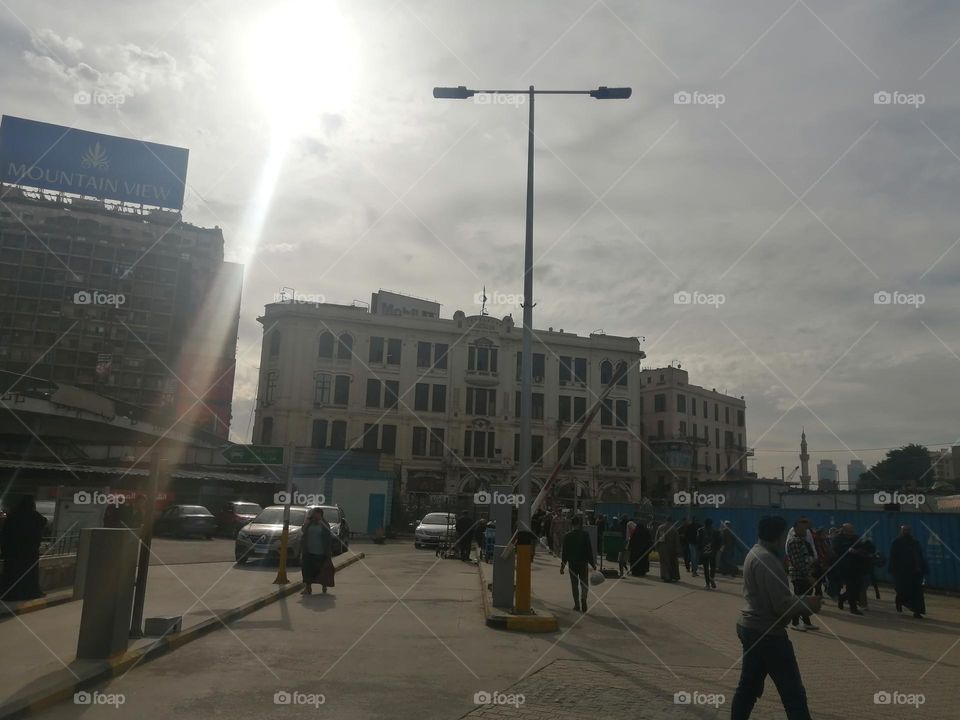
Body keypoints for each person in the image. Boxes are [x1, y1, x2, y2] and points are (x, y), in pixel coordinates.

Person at [731, 515, 821, 720]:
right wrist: (809, 604)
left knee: (748, 688)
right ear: (777, 536)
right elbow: (781, 605)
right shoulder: (768, 561)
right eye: (783, 534)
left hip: (752, 628)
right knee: (793, 694)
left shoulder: (756, 552)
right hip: (768, 634)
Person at [0, 495, 48, 601]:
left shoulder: (13, 516)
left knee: (12, 574)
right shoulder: (35, 517)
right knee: (29, 574)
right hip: (29, 552)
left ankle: (10, 594)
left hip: (13, 552)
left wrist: (4, 550)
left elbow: (5, 534)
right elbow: (44, 522)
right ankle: (29, 593)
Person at [888, 525, 927, 618]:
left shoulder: (915, 542)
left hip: (915, 572)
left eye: (908, 530)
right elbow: (893, 557)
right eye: (904, 530)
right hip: (902, 572)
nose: (906, 532)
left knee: (917, 593)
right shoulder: (897, 542)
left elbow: (919, 556)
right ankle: (900, 601)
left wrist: (922, 568)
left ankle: (917, 612)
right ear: (901, 531)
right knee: (903, 591)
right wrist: (893, 570)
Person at [559, 515, 596, 613]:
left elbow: (565, 553)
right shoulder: (585, 535)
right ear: (579, 524)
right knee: (584, 583)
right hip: (583, 563)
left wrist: (562, 567)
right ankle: (583, 598)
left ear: (572, 524)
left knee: (574, 584)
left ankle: (577, 604)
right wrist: (593, 564)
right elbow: (589, 550)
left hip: (572, 564)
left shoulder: (567, 536)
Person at [786, 519, 818, 632]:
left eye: (806, 528)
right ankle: (794, 622)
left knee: (805, 600)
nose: (805, 530)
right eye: (802, 528)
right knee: (799, 599)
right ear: (795, 529)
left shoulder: (802, 541)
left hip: (804, 574)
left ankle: (806, 622)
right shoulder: (794, 541)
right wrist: (808, 575)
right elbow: (797, 561)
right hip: (799, 576)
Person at [833, 523, 870, 615]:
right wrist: (848, 550)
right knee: (851, 587)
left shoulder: (856, 538)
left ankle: (842, 598)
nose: (851, 533)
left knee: (858, 587)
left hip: (857, 566)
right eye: (849, 531)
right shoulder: (838, 539)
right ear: (844, 530)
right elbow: (837, 550)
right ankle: (853, 608)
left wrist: (860, 551)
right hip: (845, 567)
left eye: (852, 531)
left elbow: (862, 548)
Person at [300, 508, 334, 595]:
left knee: (321, 571)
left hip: (321, 553)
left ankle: (324, 585)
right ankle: (308, 588)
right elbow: (303, 531)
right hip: (308, 552)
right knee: (307, 571)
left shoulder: (324, 524)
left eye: (317, 514)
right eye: (314, 514)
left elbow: (328, 538)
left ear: (321, 515)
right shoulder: (309, 523)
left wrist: (329, 552)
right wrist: (307, 522)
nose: (315, 516)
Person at [697, 518, 721, 589]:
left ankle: (707, 585)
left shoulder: (700, 530)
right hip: (713, 552)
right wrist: (716, 549)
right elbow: (719, 541)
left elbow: (698, 541)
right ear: (711, 524)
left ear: (704, 523)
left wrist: (700, 549)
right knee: (713, 566)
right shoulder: (716, 531)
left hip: (704, 552)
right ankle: (712, 577)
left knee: (706, 568)